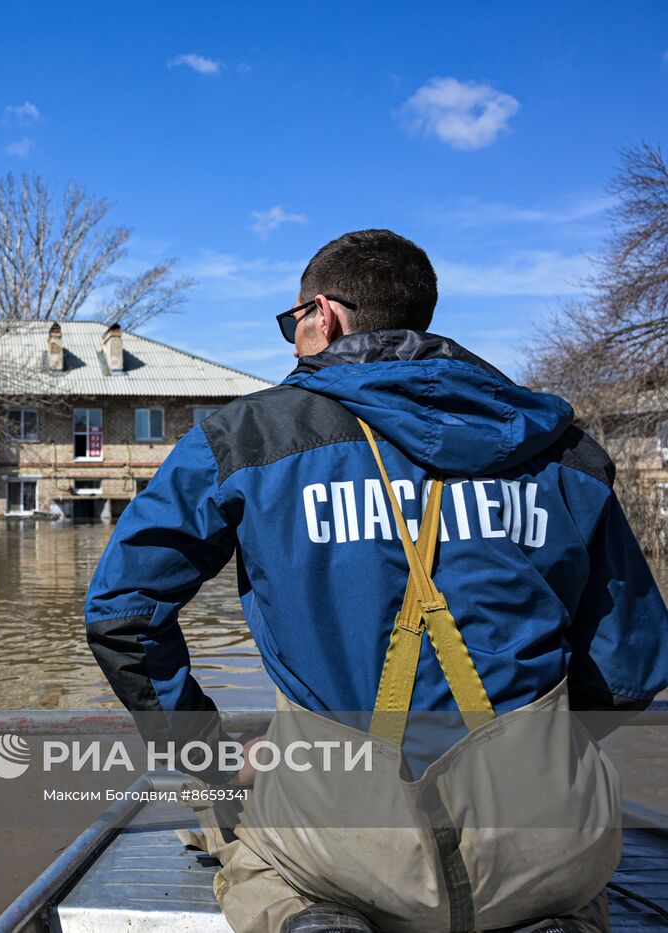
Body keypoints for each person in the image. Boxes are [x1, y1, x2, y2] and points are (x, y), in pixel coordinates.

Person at [84, 229, 668, 933]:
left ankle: (314, 915)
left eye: (291, 322)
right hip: (544, 840)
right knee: (561, 877)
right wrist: (532, 755)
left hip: (343, 844)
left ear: (321, 317)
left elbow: (121, 611)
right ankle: (550, 916)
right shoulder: (561, 448)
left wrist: (205, 751)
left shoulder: (247, 439)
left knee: (262, 863)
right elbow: (632, 664)